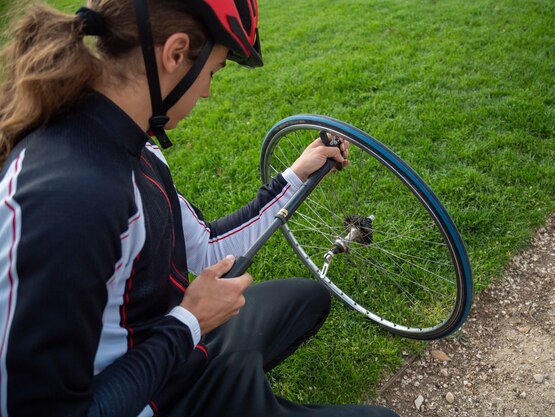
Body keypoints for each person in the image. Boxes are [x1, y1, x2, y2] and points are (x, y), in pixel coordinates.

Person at [0, 1, 400, 416]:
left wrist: (297, 174)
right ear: (175, 53)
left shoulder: (132, 143)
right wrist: (189, 321)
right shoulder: (71, 201)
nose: (207, 90)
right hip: (145, 393)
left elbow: (207, 247)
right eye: (212, 71)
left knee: (307, 298)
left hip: (171, 350)